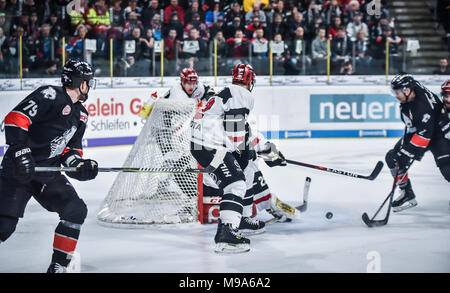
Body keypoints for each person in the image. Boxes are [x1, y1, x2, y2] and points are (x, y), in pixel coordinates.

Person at [0, 59, 98, 273]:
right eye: (88, 81)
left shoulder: (81, 115)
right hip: (18, 168)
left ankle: (58, 266)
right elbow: (15, 118)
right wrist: (20, 150)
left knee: (75, 210)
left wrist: (80, 166)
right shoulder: (50, 95)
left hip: (46, 172)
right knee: (4, 227)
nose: (90, 86)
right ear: (81, 83)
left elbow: (70, 150)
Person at [190, 63, 261, 254]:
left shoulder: (229, 92)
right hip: (210, 145)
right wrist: (242, 152)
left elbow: (242, 130)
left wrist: (260, 149)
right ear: (250, 81)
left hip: (204, 143)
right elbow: (234, 128)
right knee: (236, 185)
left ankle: (238, 221)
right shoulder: (242, 94)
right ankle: (226, 234)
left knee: (245, 174)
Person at [386, 74, 450, 212]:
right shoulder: (414, 89)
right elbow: (417, 131)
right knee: (392, 157)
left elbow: (424, 136)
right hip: (424, 129)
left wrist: (407, 153)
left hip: (436, 134)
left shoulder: (422, 107)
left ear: (407, 90)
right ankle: (406, 193)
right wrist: (403, 154)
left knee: (447, 169)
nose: (396, 95)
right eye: (394, 92)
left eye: (397, 92)